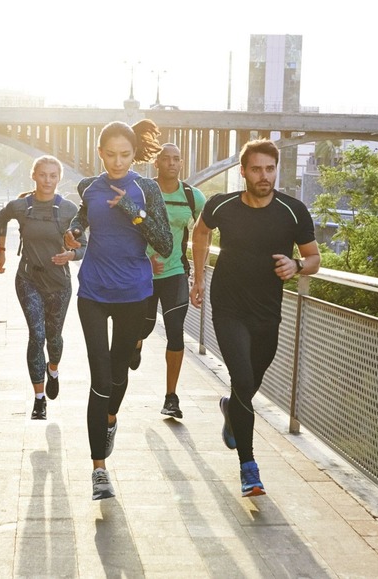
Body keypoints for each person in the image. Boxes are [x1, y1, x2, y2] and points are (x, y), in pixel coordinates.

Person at [189, 138, 321, 497]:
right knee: (243, 377)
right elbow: (200, 231)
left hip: (267, 311)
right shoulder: (223, 204)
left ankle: (232, 409)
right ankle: (249, 467)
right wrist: (198, 276)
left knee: (249, 382)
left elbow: (313, 259)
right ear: (243, 172)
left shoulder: (293, 211)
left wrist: (297, 266)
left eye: (270, 169)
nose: (264, 176)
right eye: (257, 169)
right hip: (229, 306)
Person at [62, 120, 173, 500]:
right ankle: (99, 471)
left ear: (134, 153)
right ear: (100, 153)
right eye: (110, 154)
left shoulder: (147, 189)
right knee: (101, 379)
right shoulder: (89, 187)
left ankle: (110, 420)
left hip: (133, 294)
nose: (118, 161)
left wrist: (131, 209)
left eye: (125, 154)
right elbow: (83, 217)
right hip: (93, 291)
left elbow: (165, 243)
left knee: (120, 372)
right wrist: (74, 232)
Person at [0, 155, 86, 420]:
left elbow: (86, 245)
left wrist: (72, 255)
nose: (47, 180)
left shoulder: (69, 210)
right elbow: (2, 216)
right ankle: (39, 399)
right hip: (28, 279)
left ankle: (53, 369)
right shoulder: (22, 207)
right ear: (33, 176)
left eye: (53, 176)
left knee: (53, 337)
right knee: (36, 335)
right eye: (43, 175)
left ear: (59, 179)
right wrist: (1, 251)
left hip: (59, 283)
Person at [128, 143, 206, 420]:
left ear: (181, 163)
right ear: (156, 164)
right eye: (166, 159)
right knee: (145, 327)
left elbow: (203, 235)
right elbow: (128, 227)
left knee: (175, 331)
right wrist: (144, 259)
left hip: (175, 274)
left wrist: (198, 277)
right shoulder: (143, 191)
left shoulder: (192, 196)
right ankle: (136, 342)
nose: (171, 163)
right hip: (143, 274)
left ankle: (171, 397)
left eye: (176, 159)